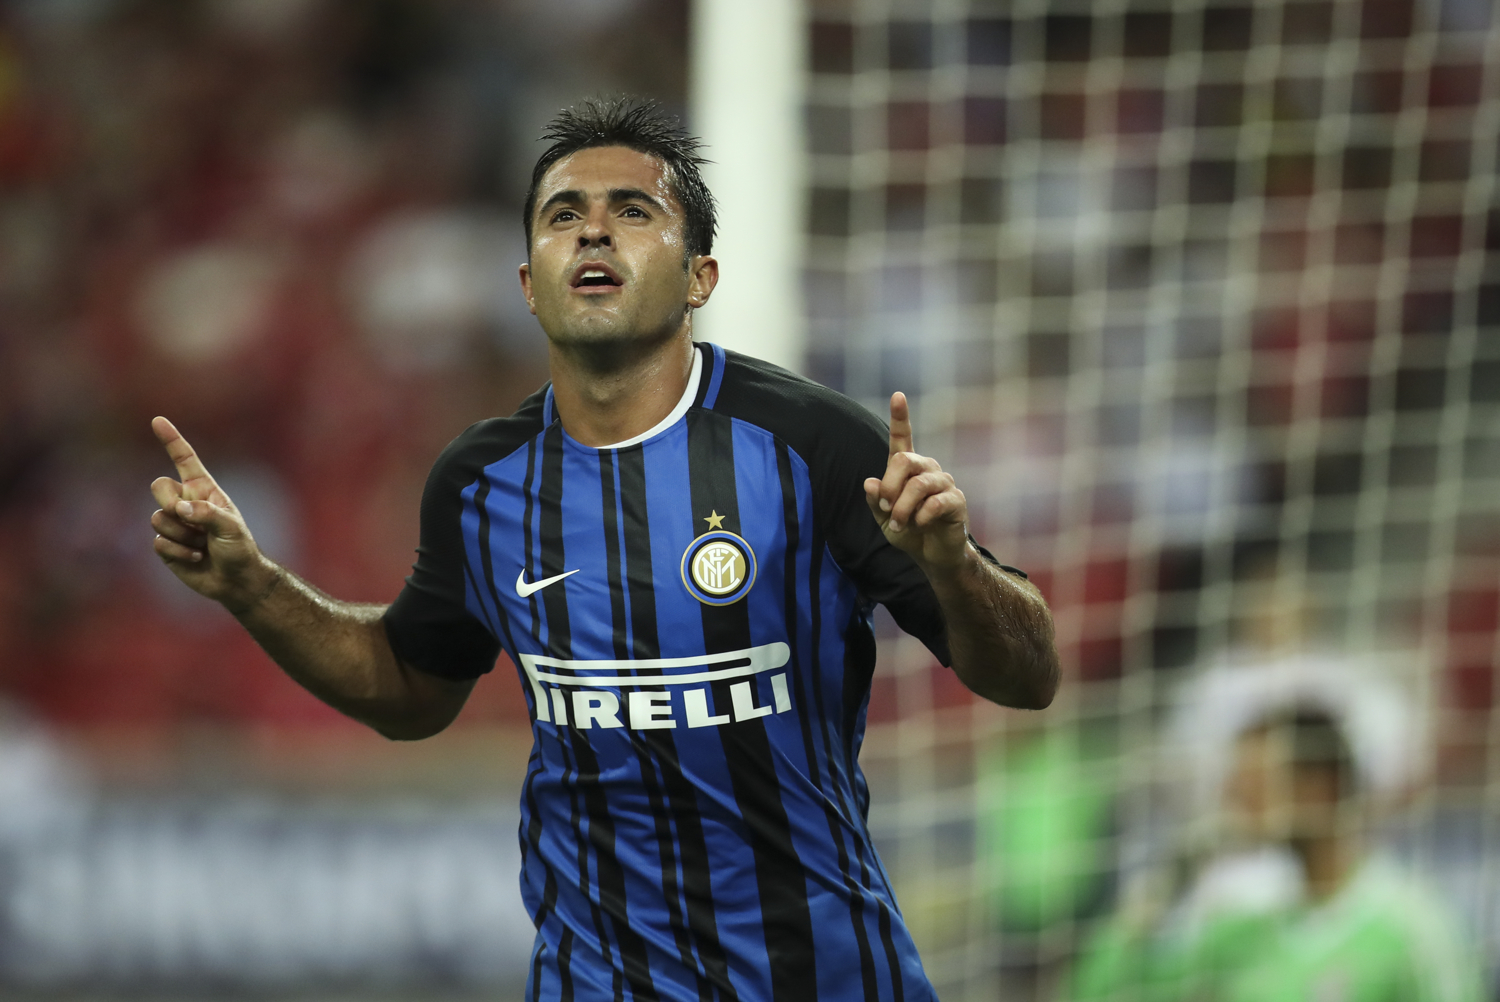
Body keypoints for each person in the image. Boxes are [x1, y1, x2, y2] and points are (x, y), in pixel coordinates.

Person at [147, 96, 1059, 1001]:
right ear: (527, 283)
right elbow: (412, 694)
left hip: (824, 979)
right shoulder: (480, 483)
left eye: (632, 211)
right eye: (564, 217)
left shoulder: (813, 447)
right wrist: (253, 586)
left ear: (700, 277)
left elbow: (1028, 677)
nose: (593, 235)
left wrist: (951, 563)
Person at [1068, 705, 1483, 1002]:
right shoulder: (1239, 931)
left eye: (1254, 785)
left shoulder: (1413, 930)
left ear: (1321, 789)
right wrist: (1169, 882)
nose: (1233, 802)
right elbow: (1103, 993)